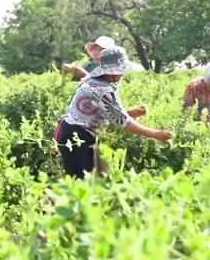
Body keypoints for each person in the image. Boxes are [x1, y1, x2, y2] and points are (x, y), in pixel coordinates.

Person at [54, 46, 172, 179]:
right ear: (112, 71)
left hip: (71, 131)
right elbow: (125, 123)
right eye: (121, 71)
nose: (122, 74)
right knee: (81, 181)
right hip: (76, 137)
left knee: (87, 179)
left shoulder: (94, 81)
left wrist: (131, 113)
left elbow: (106, 112)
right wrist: (156, 134)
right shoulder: (102, 89)